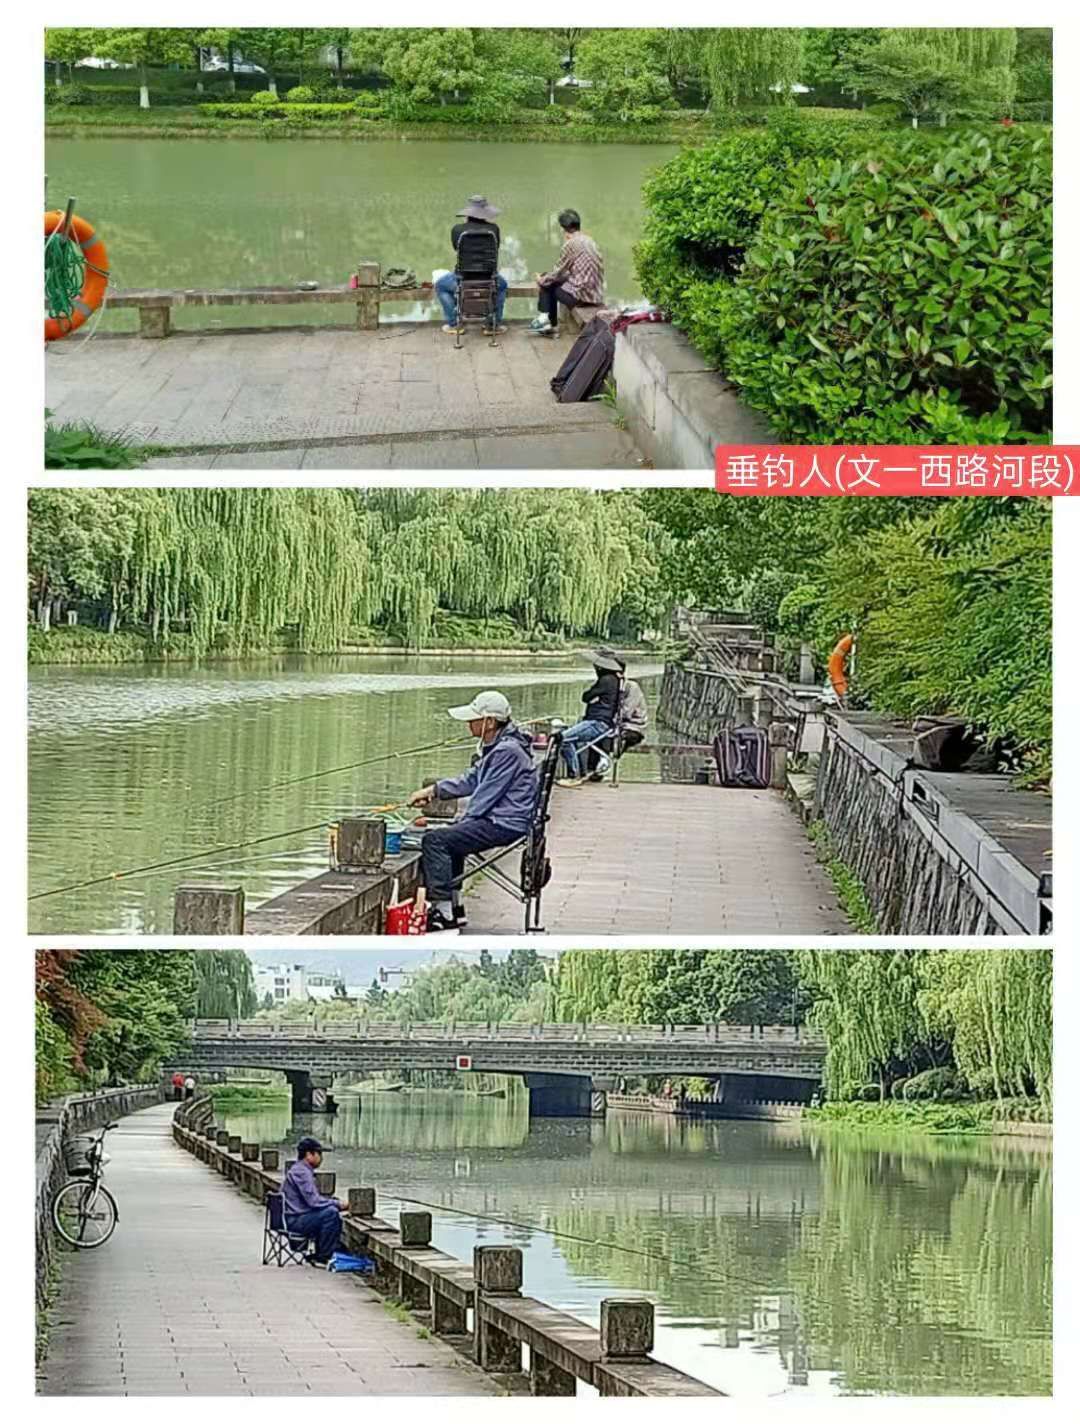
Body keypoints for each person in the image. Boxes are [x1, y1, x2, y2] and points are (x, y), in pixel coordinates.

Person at [408, 691, 538, 933]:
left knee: (436, 841)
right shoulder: (501, 745)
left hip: (505, 823)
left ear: (489, 722)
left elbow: (485, 795)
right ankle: (455, 909)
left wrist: (460, 823)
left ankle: (442, 913)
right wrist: (434, 790)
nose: (469, 723)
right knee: (452, 838)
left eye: (473, 719)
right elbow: (472, 779)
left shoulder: (506, 751)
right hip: (502, 818)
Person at [435, 196, 509, 335]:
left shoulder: (457, 230)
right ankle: (492, 325)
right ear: (486, 213)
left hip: (462, 279)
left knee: (440, 286)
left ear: (468, 213)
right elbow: (495, 247)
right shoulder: (494, 229)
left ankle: (454, 324)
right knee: (502, 286)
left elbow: (456, 249)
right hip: (489, 278)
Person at [529, 209, 605, 337]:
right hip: (595, 294)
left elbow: (558, 272)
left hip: (581, 297)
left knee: (547, 284)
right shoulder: (589, 240)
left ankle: (547, 322)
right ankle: (548, 323)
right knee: (550, 279)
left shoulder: (570, 244)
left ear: (562, 228)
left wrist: (540, 279)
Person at [558, 648, 622, 787]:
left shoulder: (606, 680)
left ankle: (574, 775)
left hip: (597, 722)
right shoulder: (616, 679)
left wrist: (593, 696)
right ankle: (583, 771)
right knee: (573, 739)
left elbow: (586, 696)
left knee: (563, 738)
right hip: (603, 722)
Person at [282, 1136, 346, 1269]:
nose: (321, 1158)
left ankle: (321, 1252)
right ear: (309, 1154)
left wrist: (332, 1201)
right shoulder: (302, 1172)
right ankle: (323, 1257)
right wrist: (338, 1204)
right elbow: (313, 1201)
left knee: (327, 1211)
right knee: (331, 1214)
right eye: (319, 1154)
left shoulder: (299, 1169)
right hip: (296, 1220)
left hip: (296, 1216)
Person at [586, 654, 648, 782]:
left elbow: (626, 712)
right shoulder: (613, 687)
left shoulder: (631, 687)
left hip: (634, 726)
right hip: (616, 724)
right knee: (594, 734)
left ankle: (603, 765)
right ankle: (592, 770)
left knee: (611, 737)